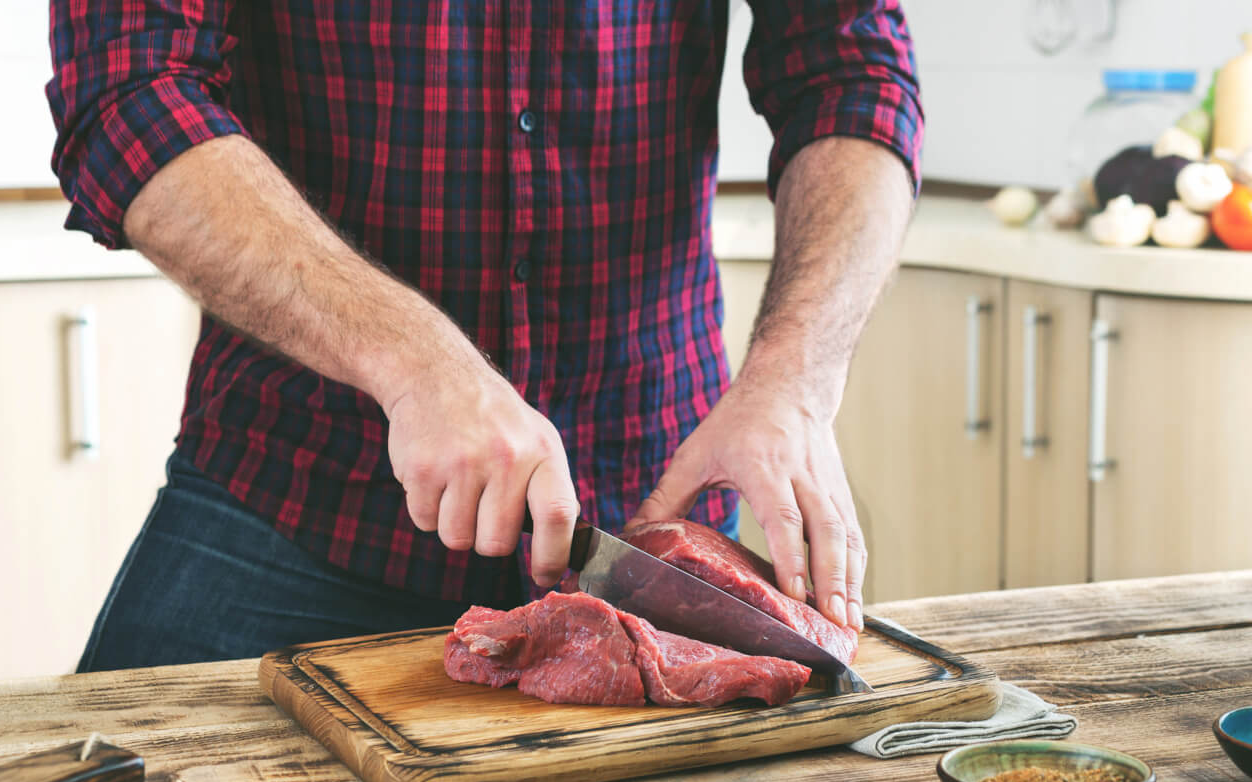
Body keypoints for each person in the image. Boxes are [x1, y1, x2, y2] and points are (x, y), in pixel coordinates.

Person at [46, 1, 922, 671]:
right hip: (298, 493)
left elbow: (853, 73)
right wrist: (412, 361)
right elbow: (129, 92)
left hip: (650, 513)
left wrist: (794, 380)